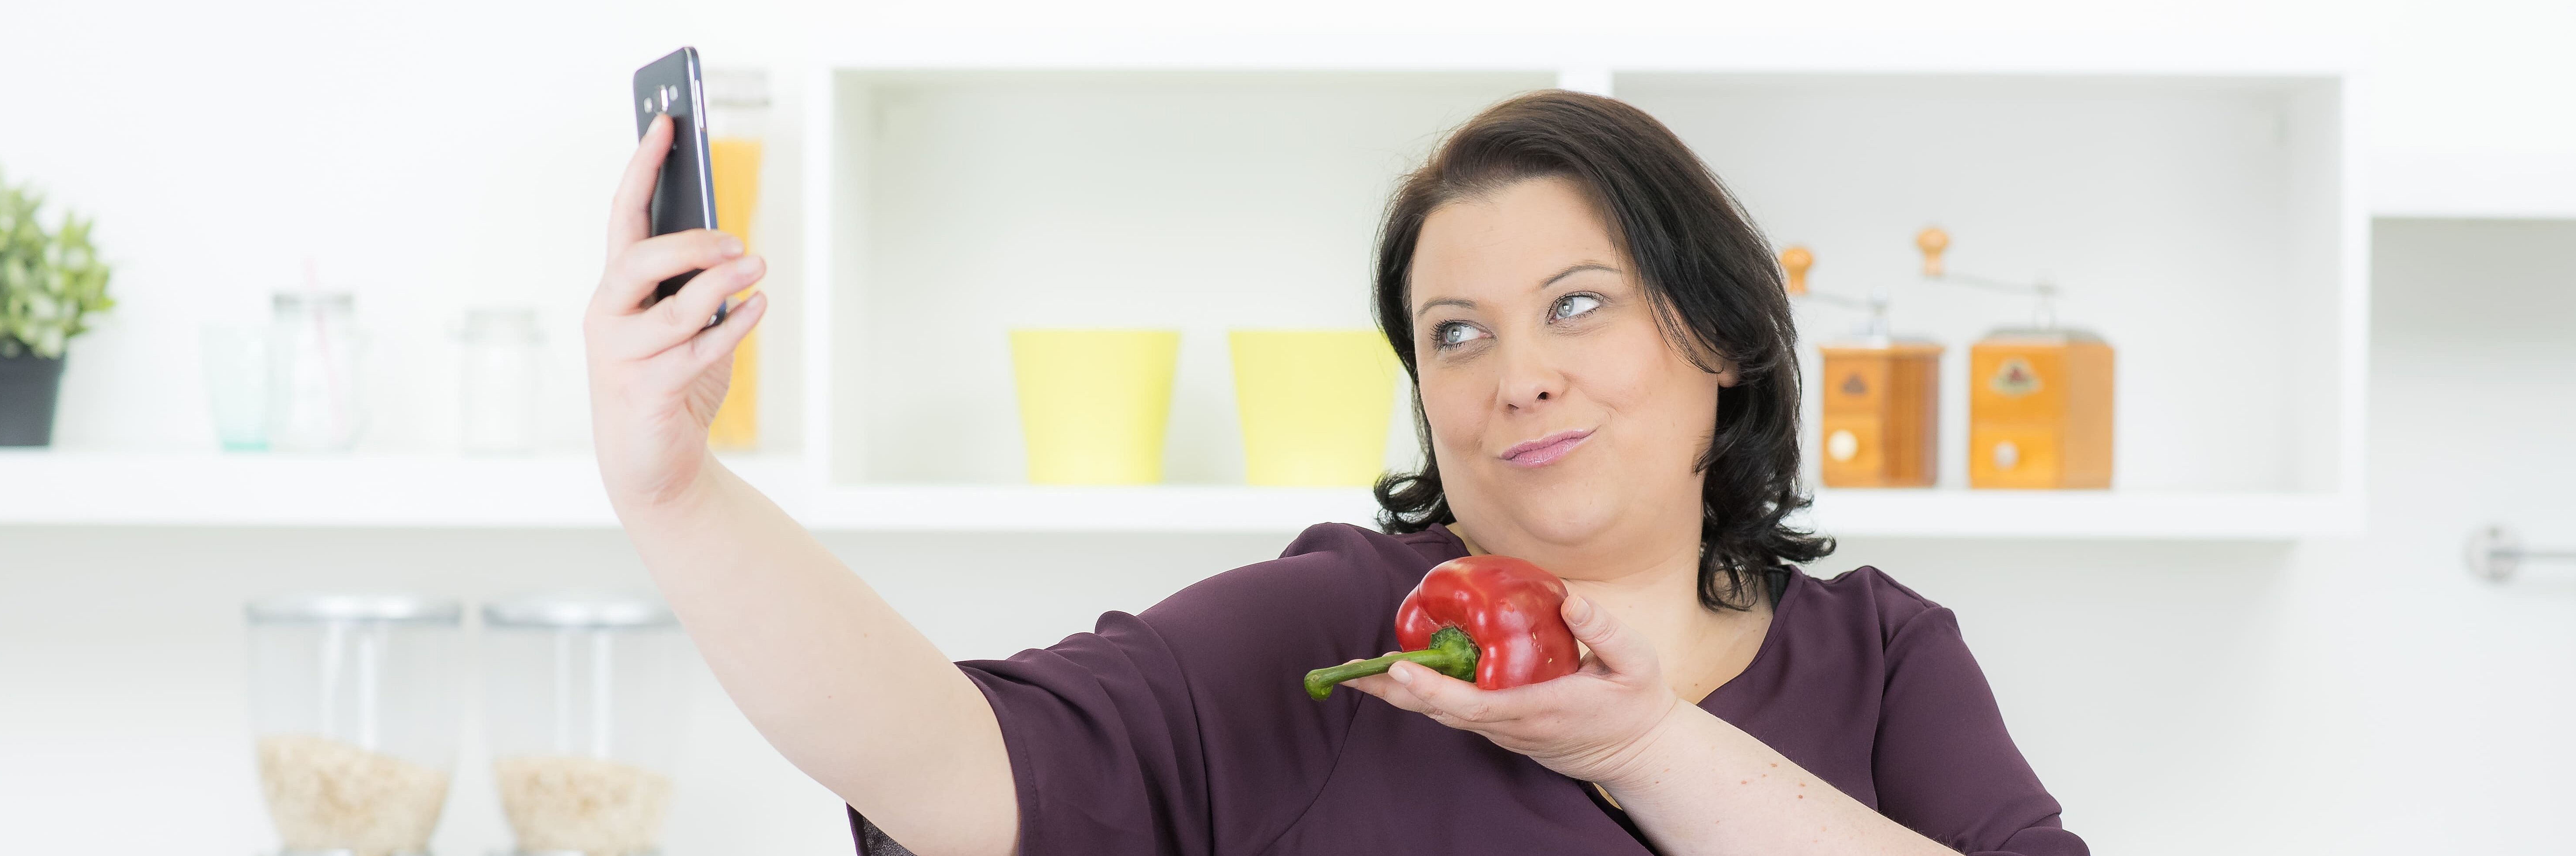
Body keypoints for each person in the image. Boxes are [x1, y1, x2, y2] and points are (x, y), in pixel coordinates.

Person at [585, 90, 2087, 856]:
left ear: (1720, 338)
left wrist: (1639, 745)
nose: (1518, 375)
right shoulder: (1334, 634)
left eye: (1577, 304)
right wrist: (676, 492)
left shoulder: (1883, 656)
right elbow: (955, 766)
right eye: (1456, 334)